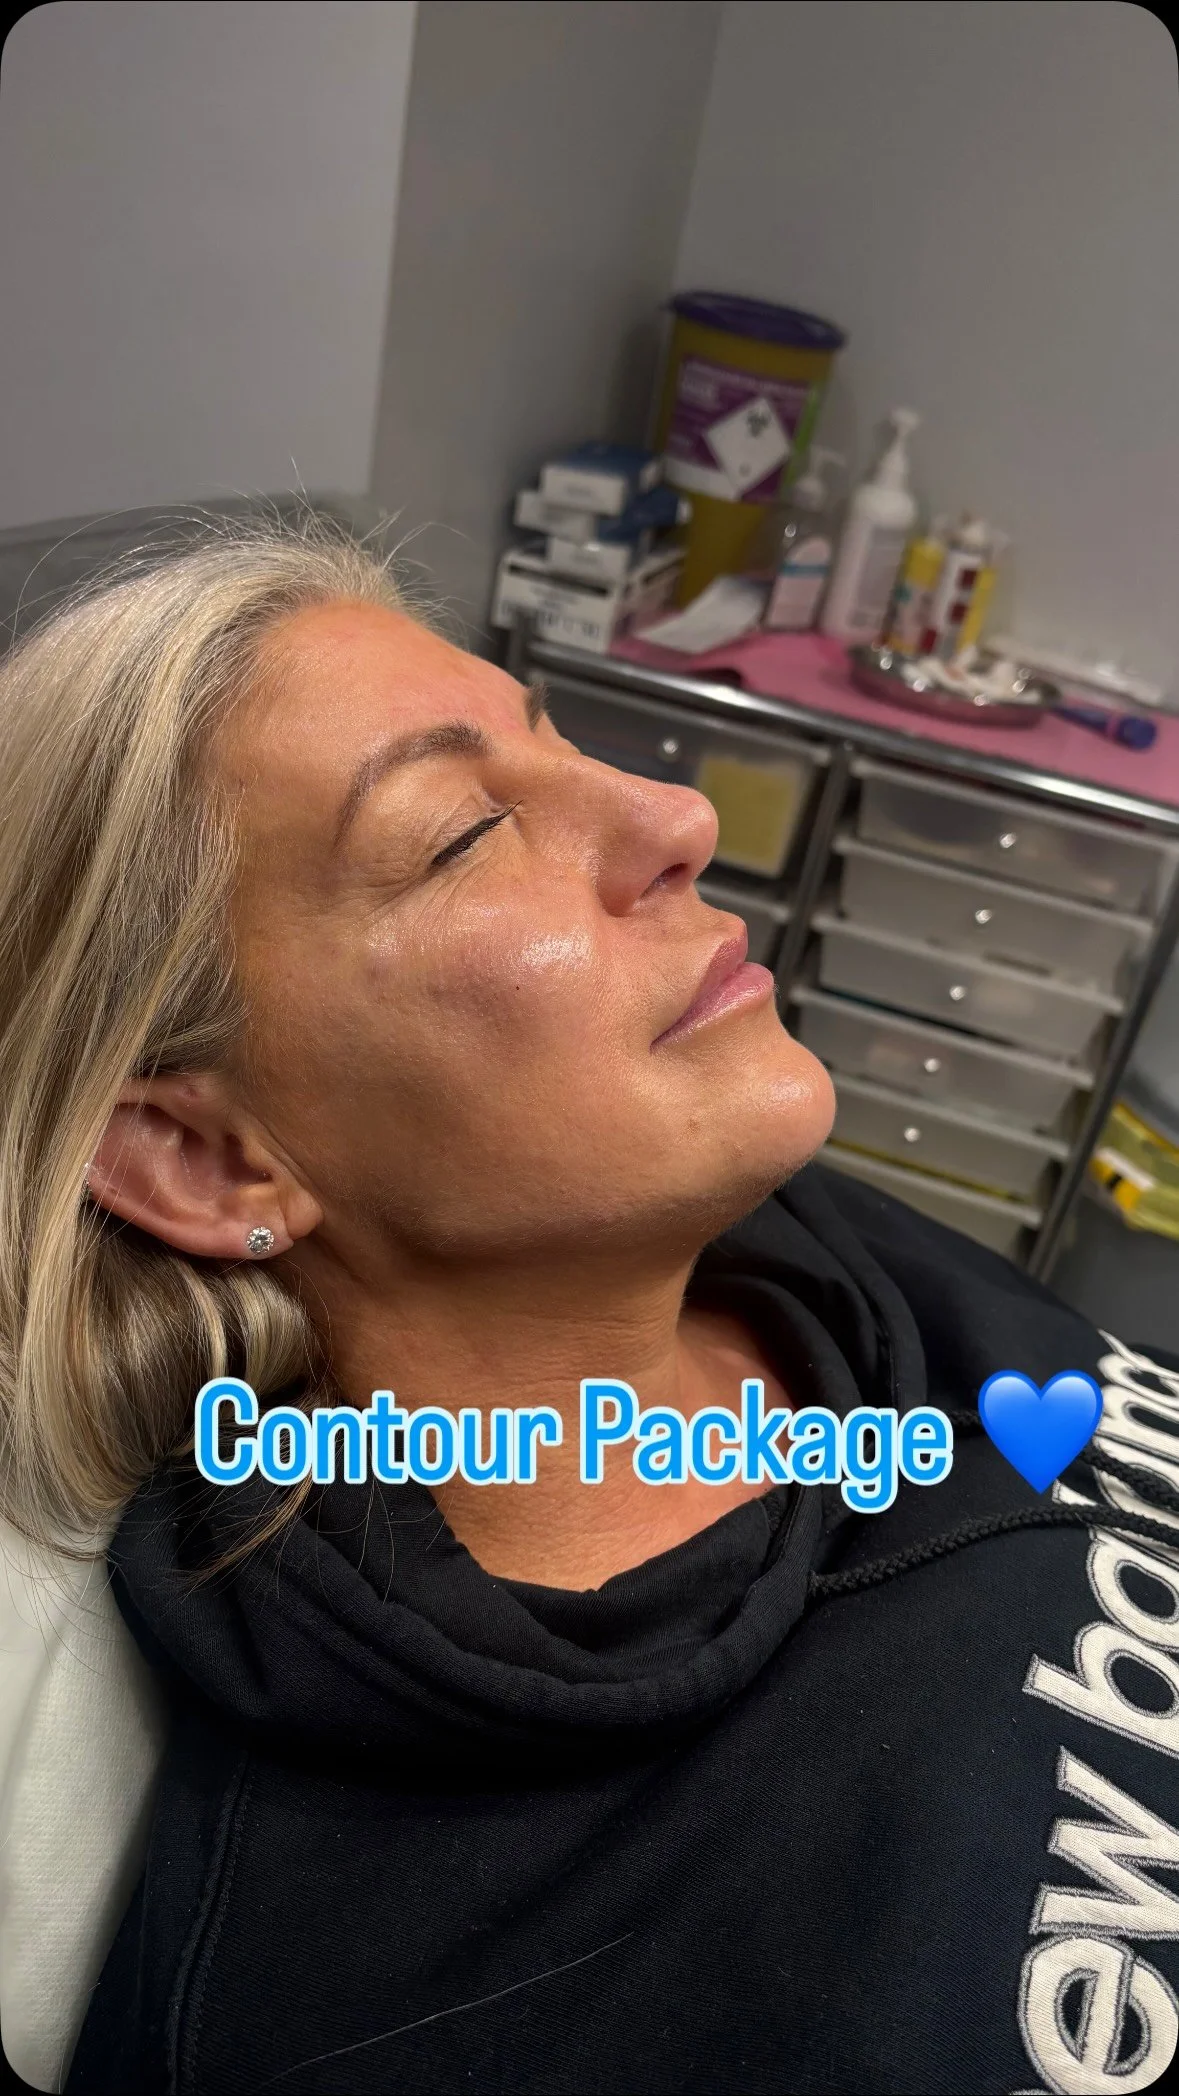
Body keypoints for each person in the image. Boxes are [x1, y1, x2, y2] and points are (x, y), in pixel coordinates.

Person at [1, 512, 1176, 2096]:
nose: (680, 814)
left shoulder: (771, 1223)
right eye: (462, 835)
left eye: (557, 738)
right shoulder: (393, 2004)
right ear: (206, 1161)